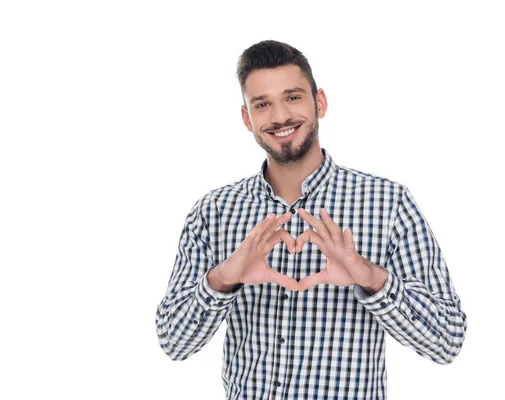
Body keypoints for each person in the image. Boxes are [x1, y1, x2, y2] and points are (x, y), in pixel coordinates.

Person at [155, 39, 468, 399]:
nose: (279, 117)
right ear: (247, 118)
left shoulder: (388, 203)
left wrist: (370, 279)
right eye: (262, 104)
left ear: (319, 102)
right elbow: (173, 342)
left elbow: (447, 340)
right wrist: (225, 278)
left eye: (292, 97)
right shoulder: (213, 212)